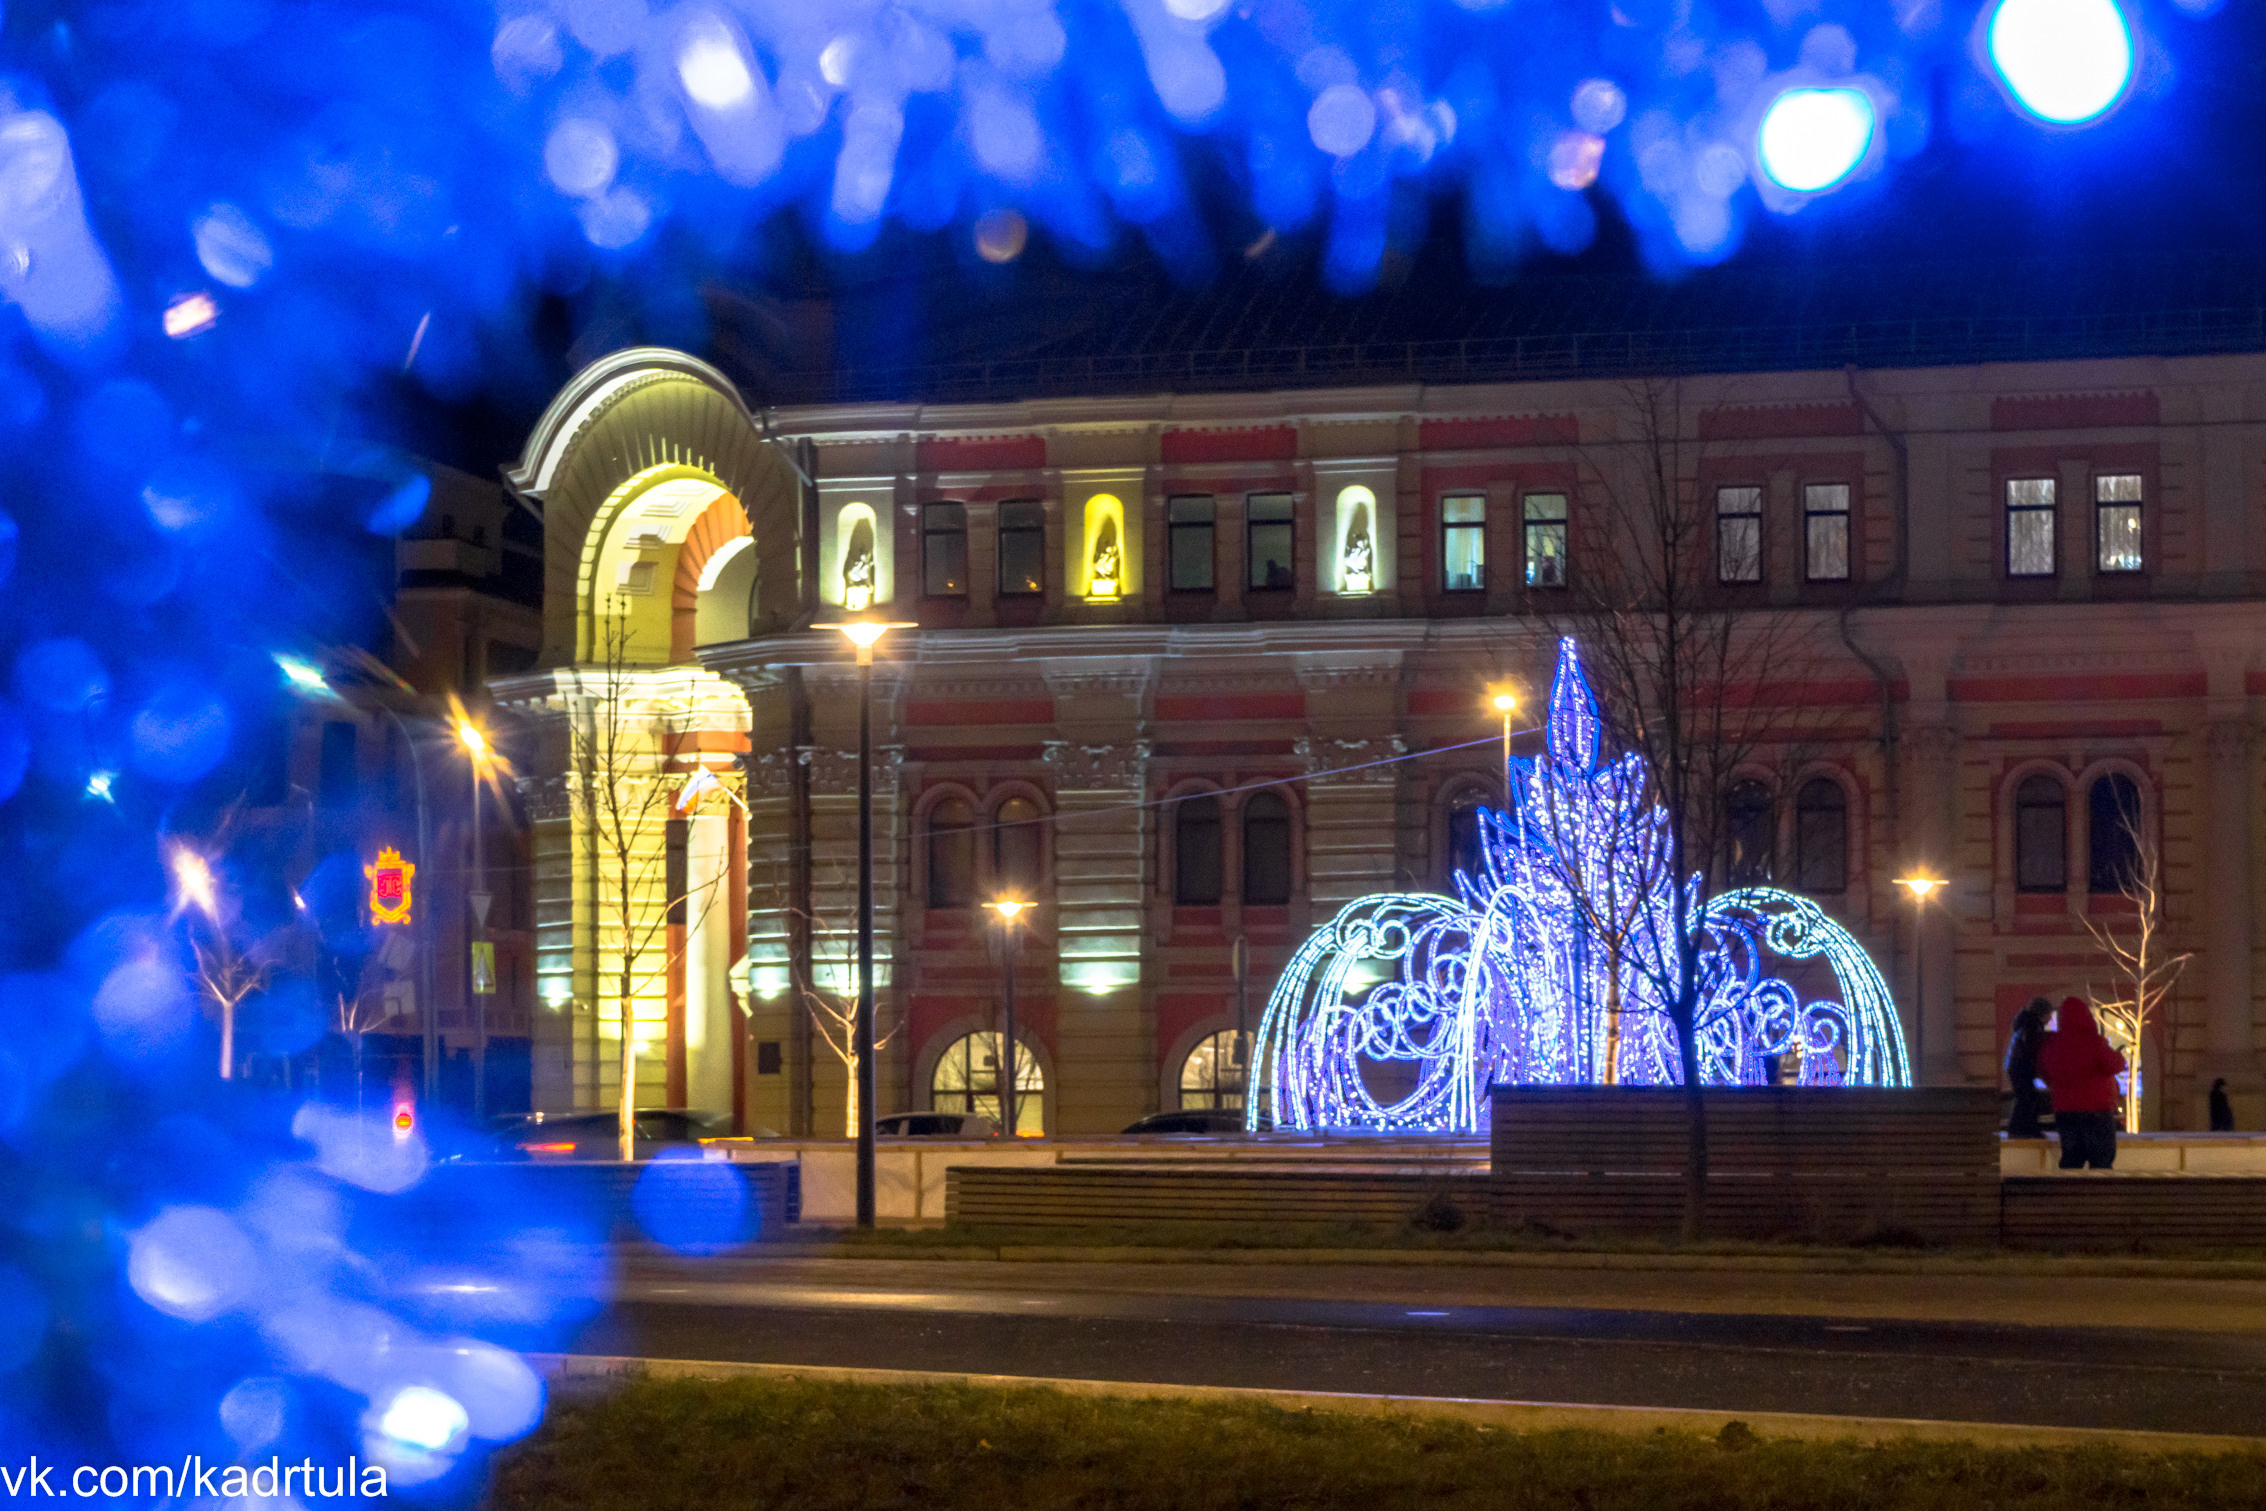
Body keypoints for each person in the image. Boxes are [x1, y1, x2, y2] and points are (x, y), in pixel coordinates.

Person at [2037, 996, 2126, 1170]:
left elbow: (2044, 1070)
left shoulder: (2053, 1044)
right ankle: (2098, 1196)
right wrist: (2120, 1057)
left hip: (2065, 1111)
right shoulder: (2093, 1042)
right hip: (2097, 1110)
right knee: (2101, 1160)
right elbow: (2114, 1064)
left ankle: (2070, 1195)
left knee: (2071, 1160)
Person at [2004, 997, 2053, 1138]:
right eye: (2049, 1014)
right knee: (2028, 1098)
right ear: (2043, 1013)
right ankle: (2022, 1130)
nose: (2050, 1018)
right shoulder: (2032, 1025)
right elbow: (2032, 1047)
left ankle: (2021, 1130)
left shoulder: (2026, 1022)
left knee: (2027, 1098)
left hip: (2017, 1067)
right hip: (2022, 1068)